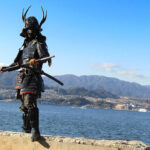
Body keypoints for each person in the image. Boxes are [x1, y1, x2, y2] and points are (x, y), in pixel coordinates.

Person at [0, 7, 51, 142]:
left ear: (35, 31)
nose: (29, 32)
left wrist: (35, 61)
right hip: (21, 77)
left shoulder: (39, 43)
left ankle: (36, 131)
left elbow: (45, 57)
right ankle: (26, 130)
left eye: (31, 30)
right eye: (27, 30)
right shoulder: (23, 47)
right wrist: (5, 68)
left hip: (32, 77)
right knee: (23, 107)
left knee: (30, 104)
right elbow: (16, 63)